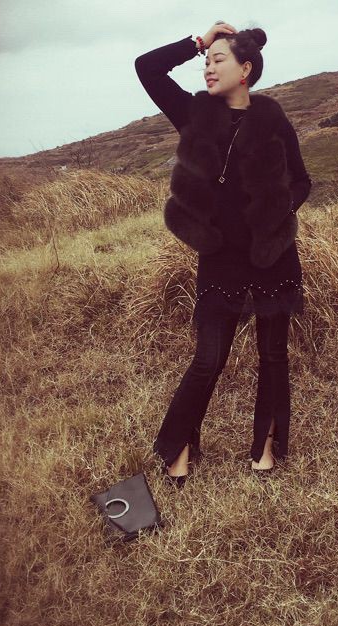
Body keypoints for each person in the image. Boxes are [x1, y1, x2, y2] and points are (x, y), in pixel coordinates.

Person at [134, 21, 312, 487]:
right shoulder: (195, 115)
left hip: (272, 253)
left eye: (219, 61)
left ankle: (266, 445)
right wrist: (199, 41)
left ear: (245, 69)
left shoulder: (273, 121)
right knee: (209, 358)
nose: (208, 69)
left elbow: (301, 181)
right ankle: (179, 445)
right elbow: (146, 68)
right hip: (221, 256)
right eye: (206, 62)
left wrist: (275, 215)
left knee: (273, 355)